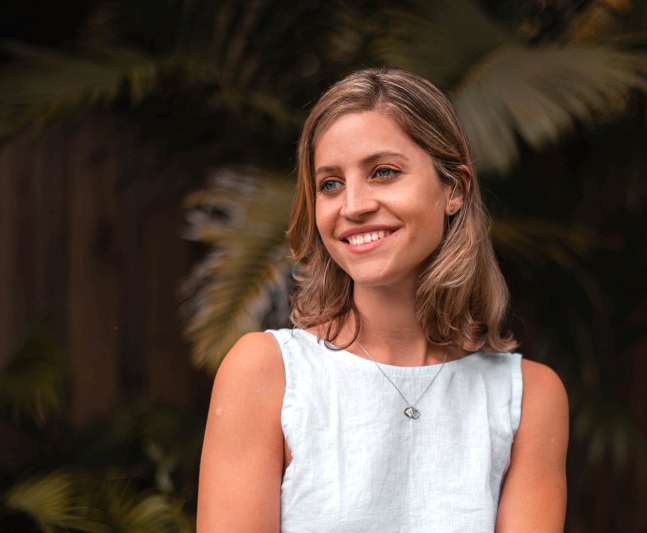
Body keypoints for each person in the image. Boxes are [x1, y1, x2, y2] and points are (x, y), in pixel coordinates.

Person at [197, 67, 568, 532]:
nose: (353, 205)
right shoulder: (267, 373)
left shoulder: (528, 398)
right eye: (330, 184)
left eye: (384, 173)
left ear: (454, 189)